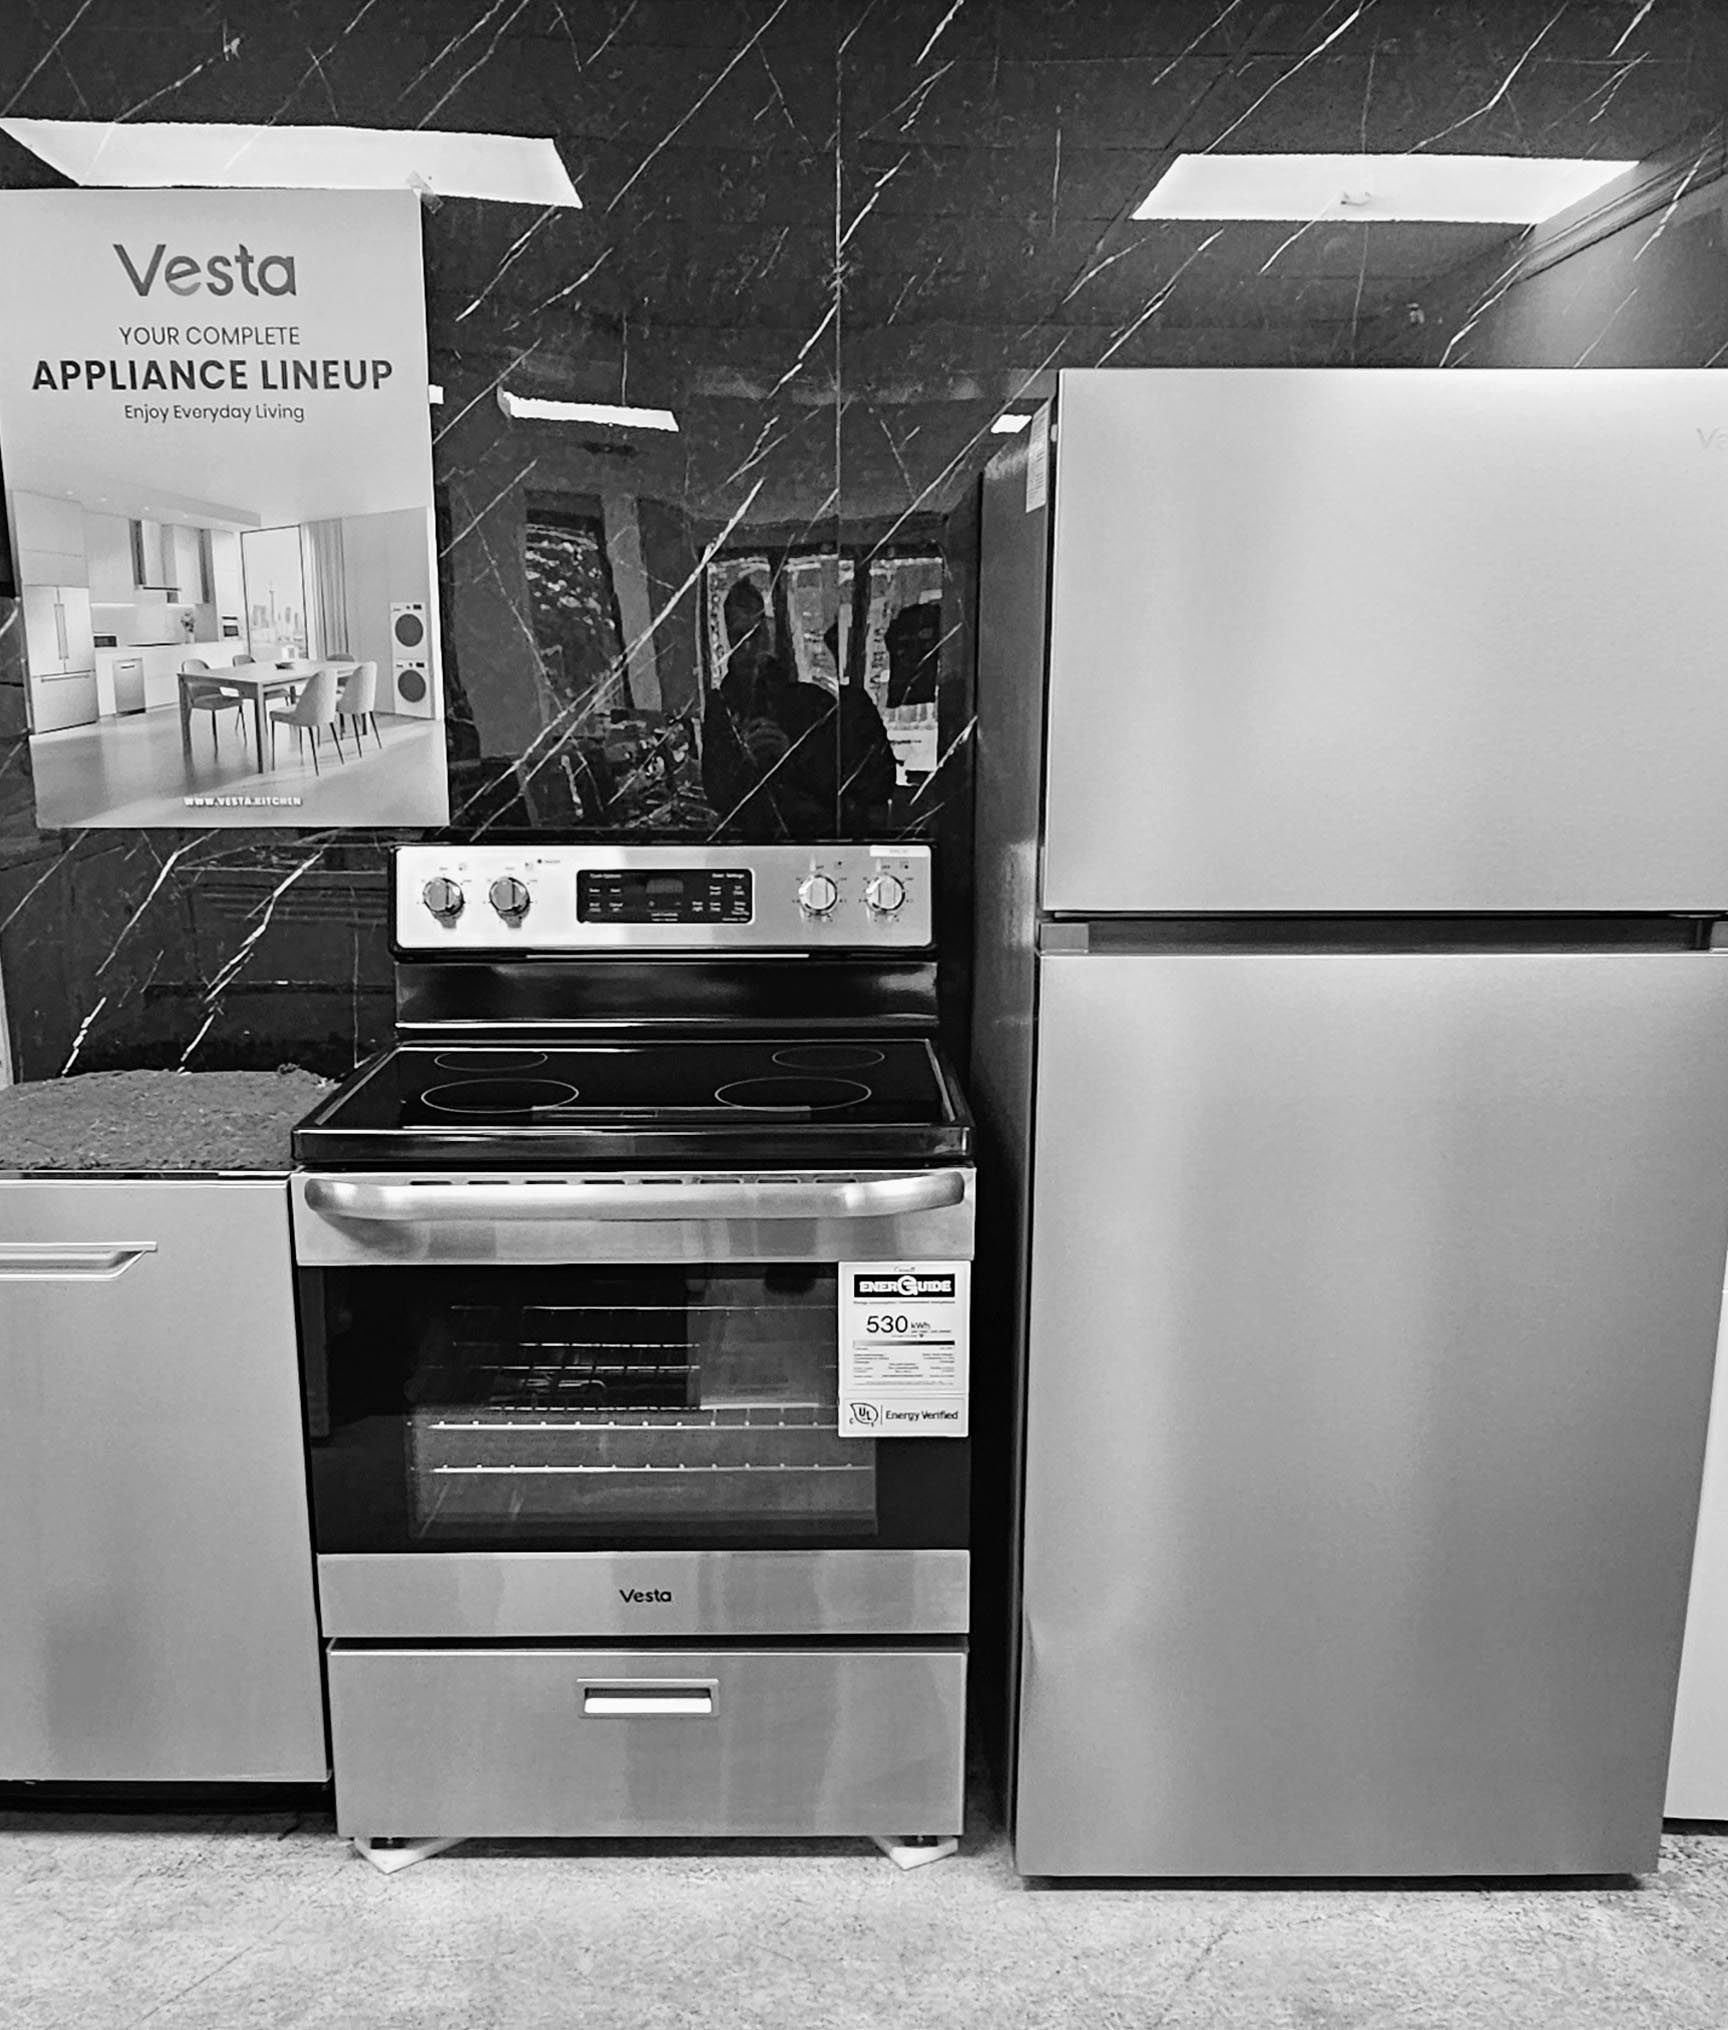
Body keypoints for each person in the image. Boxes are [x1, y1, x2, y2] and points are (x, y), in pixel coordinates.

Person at [701, 578, 895, 838]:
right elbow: (718, 794)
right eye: (738, 636)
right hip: (753, 847)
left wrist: (791, 758)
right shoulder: (722, 707)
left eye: (756, 634)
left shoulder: (823, 703)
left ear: (771, 631)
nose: (748, 647)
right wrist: (745, 763)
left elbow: (868, 792)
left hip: (820, 845)